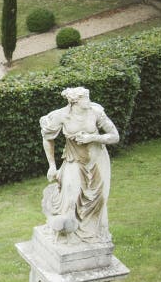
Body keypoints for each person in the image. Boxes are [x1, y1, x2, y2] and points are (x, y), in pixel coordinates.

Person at [39, 87, 119, 243]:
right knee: (71, 197)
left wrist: (93, 137)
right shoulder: (61, 116)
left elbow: (115, 136)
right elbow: (47, 138)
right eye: (86, 98)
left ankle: (94, 232)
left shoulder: (95, 112)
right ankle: (68, 234)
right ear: (74, 101)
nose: (89, 101)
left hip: (97, 159)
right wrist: (52, 165)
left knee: (100, 197)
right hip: (74, 159)